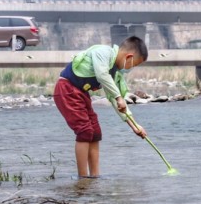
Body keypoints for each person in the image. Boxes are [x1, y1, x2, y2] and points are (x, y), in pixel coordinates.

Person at [53, 36, 148, 178]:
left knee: (95, 132)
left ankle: (95, 177)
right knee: (84, 131)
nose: (131, 69)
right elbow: (102, 74)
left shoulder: (115, 75)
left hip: (81, 93)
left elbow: (118, 103)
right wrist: (118, 97)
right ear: (129, 57)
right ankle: (83, 178)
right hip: (67, 89)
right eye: (133, 65)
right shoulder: (103, 52)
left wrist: (134, 125)